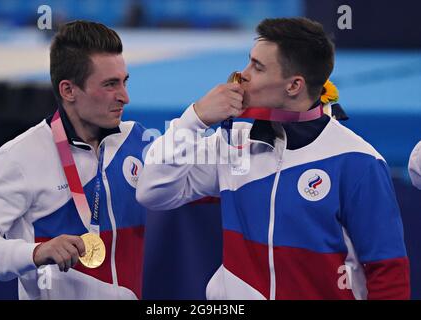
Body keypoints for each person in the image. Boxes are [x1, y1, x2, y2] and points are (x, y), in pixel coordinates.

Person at [136, 17, 410, 300]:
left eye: (257, 67)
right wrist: (194, 119)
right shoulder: (235, 141)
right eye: (248, 62)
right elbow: (153, 191)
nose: (242, 76)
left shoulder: (358, 162)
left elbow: (387, 271)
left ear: (294, 86)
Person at [0, 21, 147, 299]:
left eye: (124, 81)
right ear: (68, 91)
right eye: (110, 85)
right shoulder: (20, 157)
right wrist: (35, 252)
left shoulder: (136, 139)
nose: (124, 97)